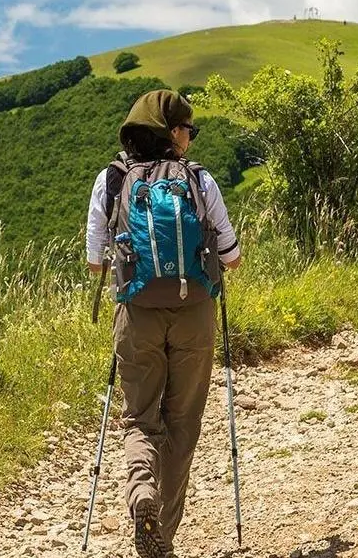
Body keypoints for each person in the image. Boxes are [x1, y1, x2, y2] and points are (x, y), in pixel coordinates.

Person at [86, 89, 241, 558]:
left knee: (141, 419)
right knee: (183, 423)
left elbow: (95, 262)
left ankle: (140, 493)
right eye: (188, 129)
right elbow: (231, 258)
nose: (190, 138)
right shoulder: (199, 180)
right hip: (194, 315)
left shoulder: (111, 180)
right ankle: (164, 539)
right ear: (171, 132)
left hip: (136, 317)